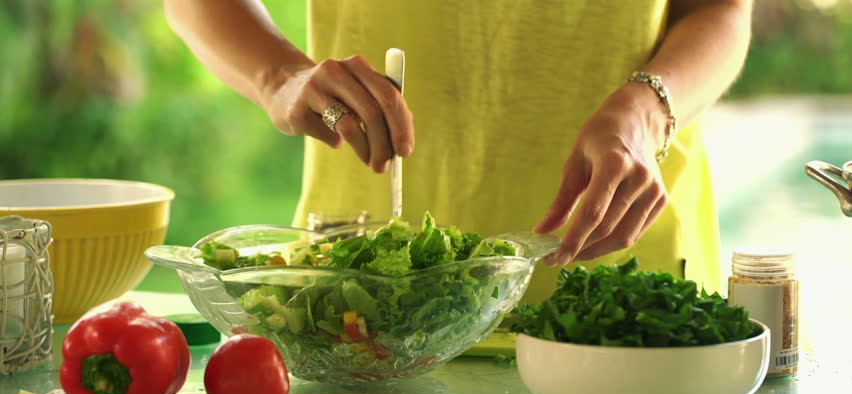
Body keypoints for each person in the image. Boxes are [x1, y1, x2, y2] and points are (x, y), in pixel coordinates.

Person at [164, 0, 753, 301]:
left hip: (620, 269)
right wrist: (278, 78)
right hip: (366, 295)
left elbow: (721, 9)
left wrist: (648, 112)